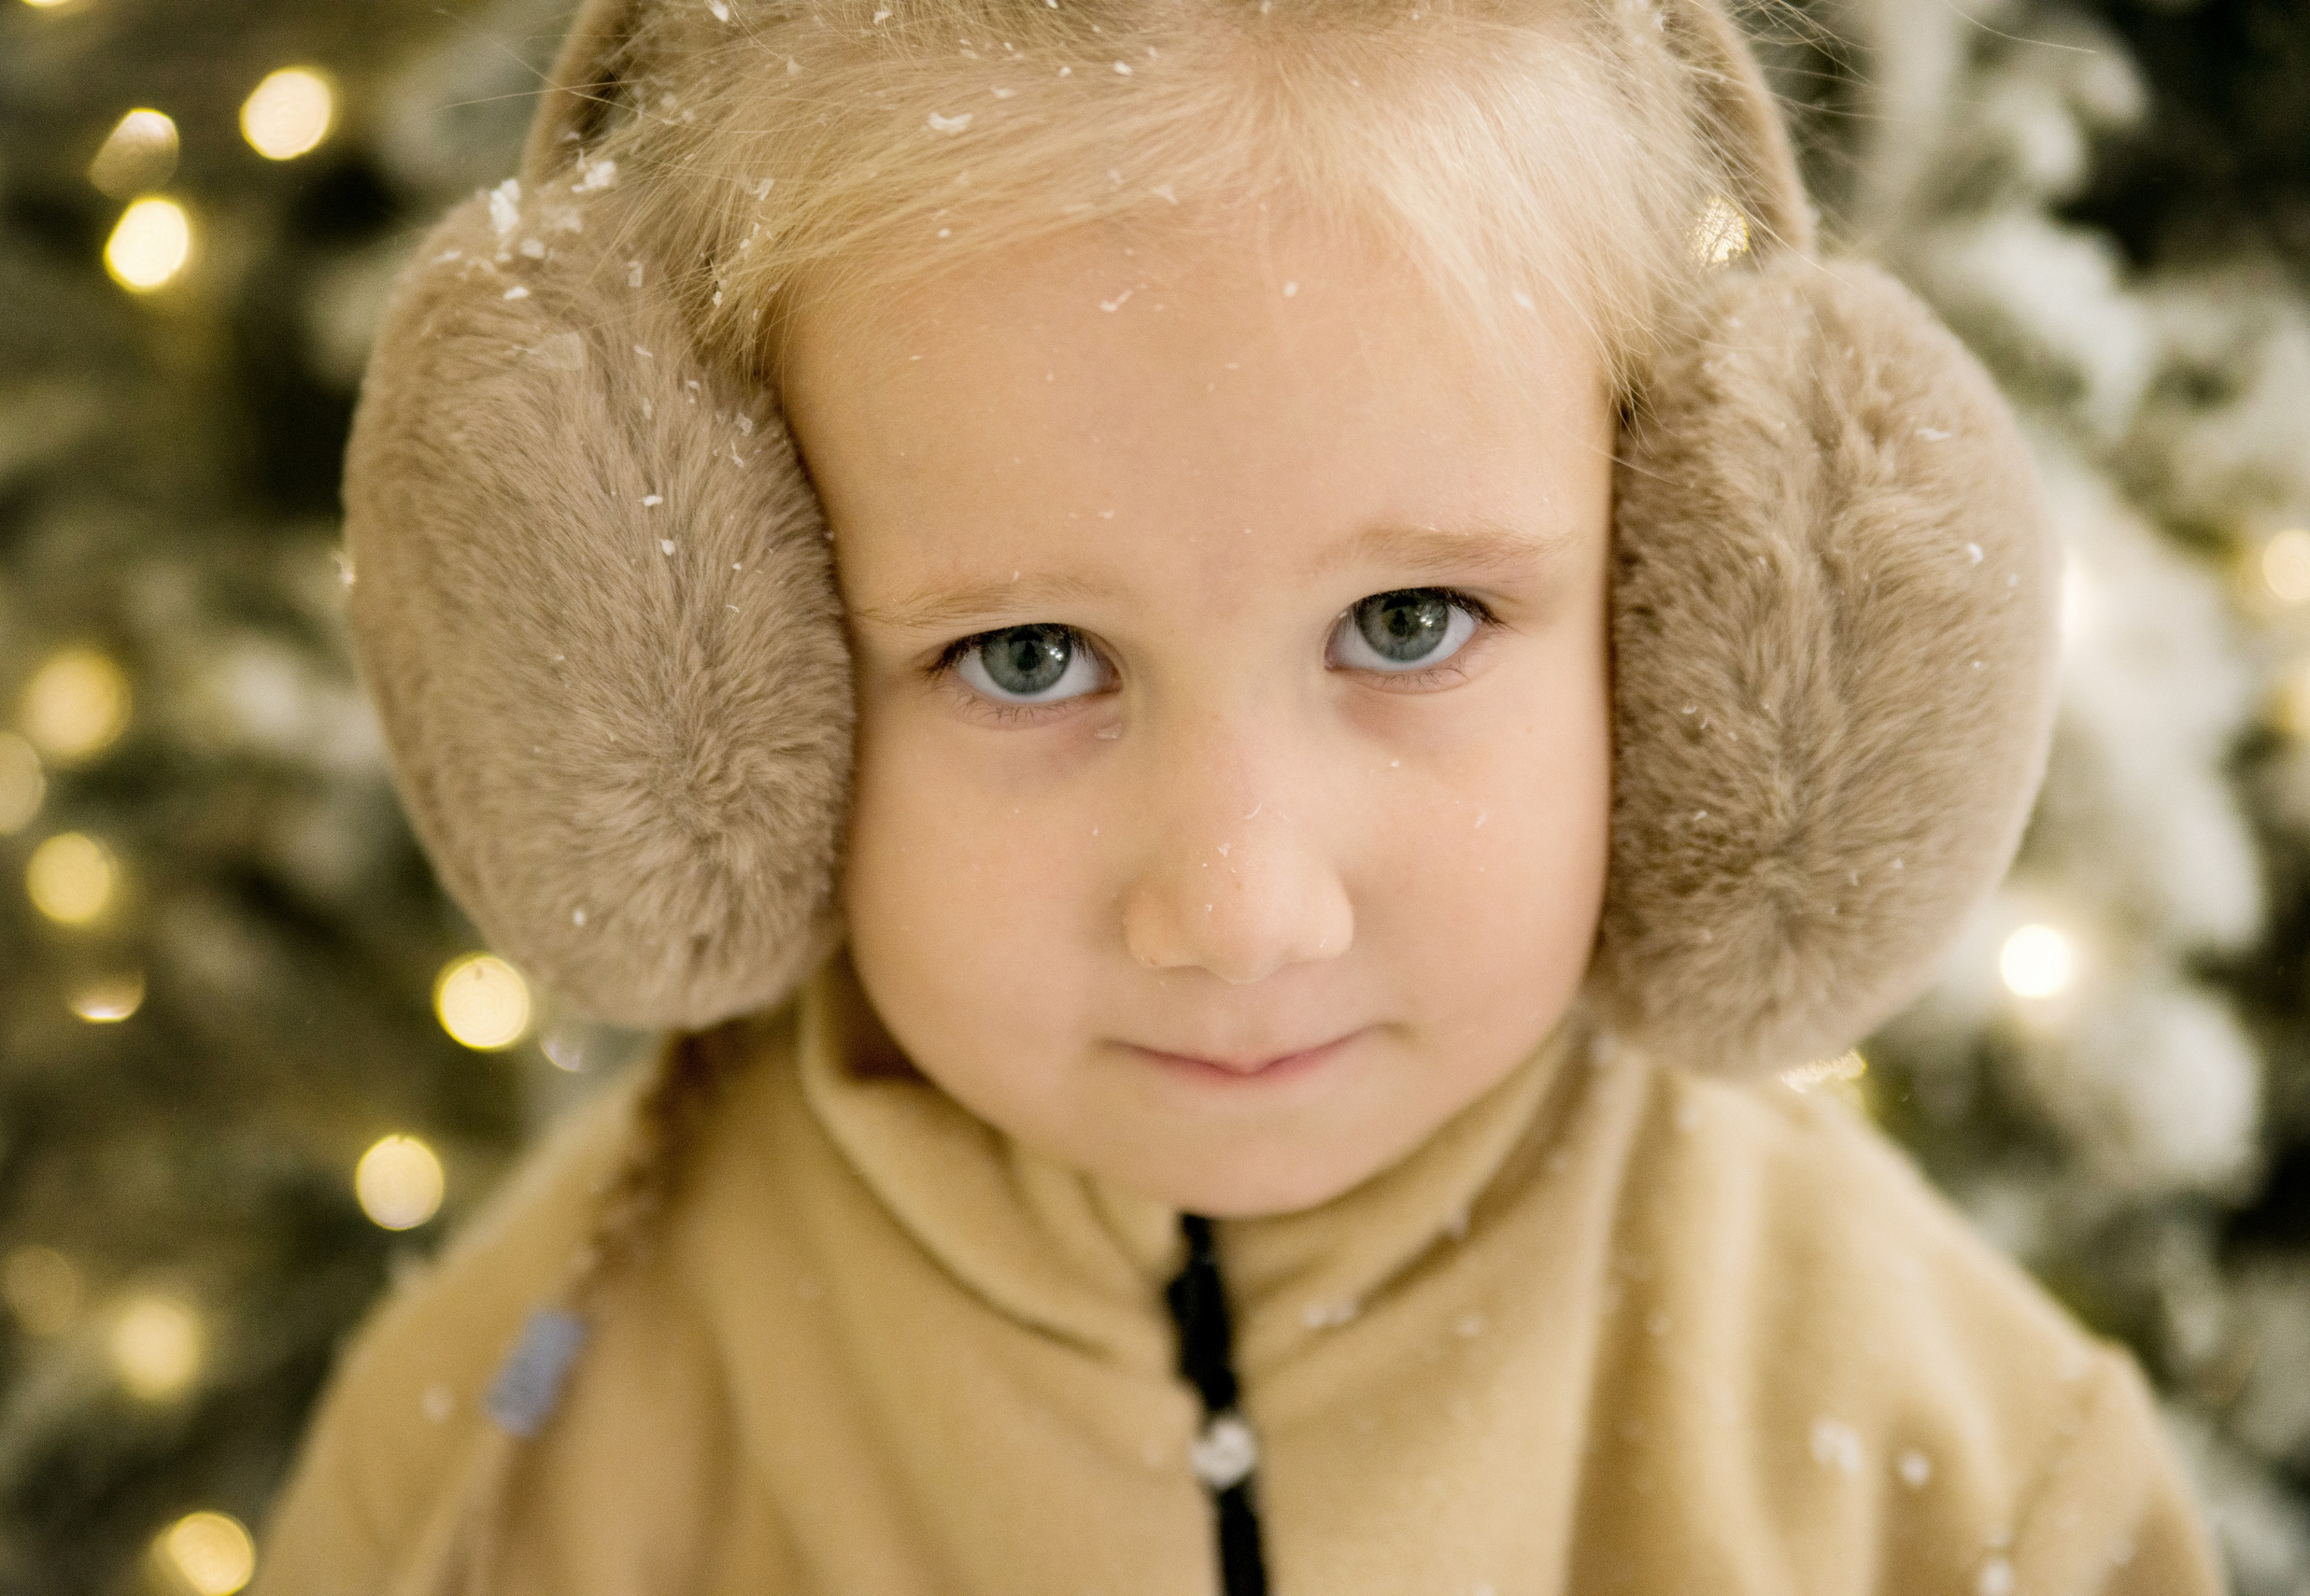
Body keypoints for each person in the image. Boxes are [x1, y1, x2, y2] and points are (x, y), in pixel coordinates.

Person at [258, 1, 2229, 1591]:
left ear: (1692, 604)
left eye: (1406, 620)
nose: (1239, 905)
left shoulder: (1962, 1482)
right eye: (1024, 656)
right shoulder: (502, 1480)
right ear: (703, 667)